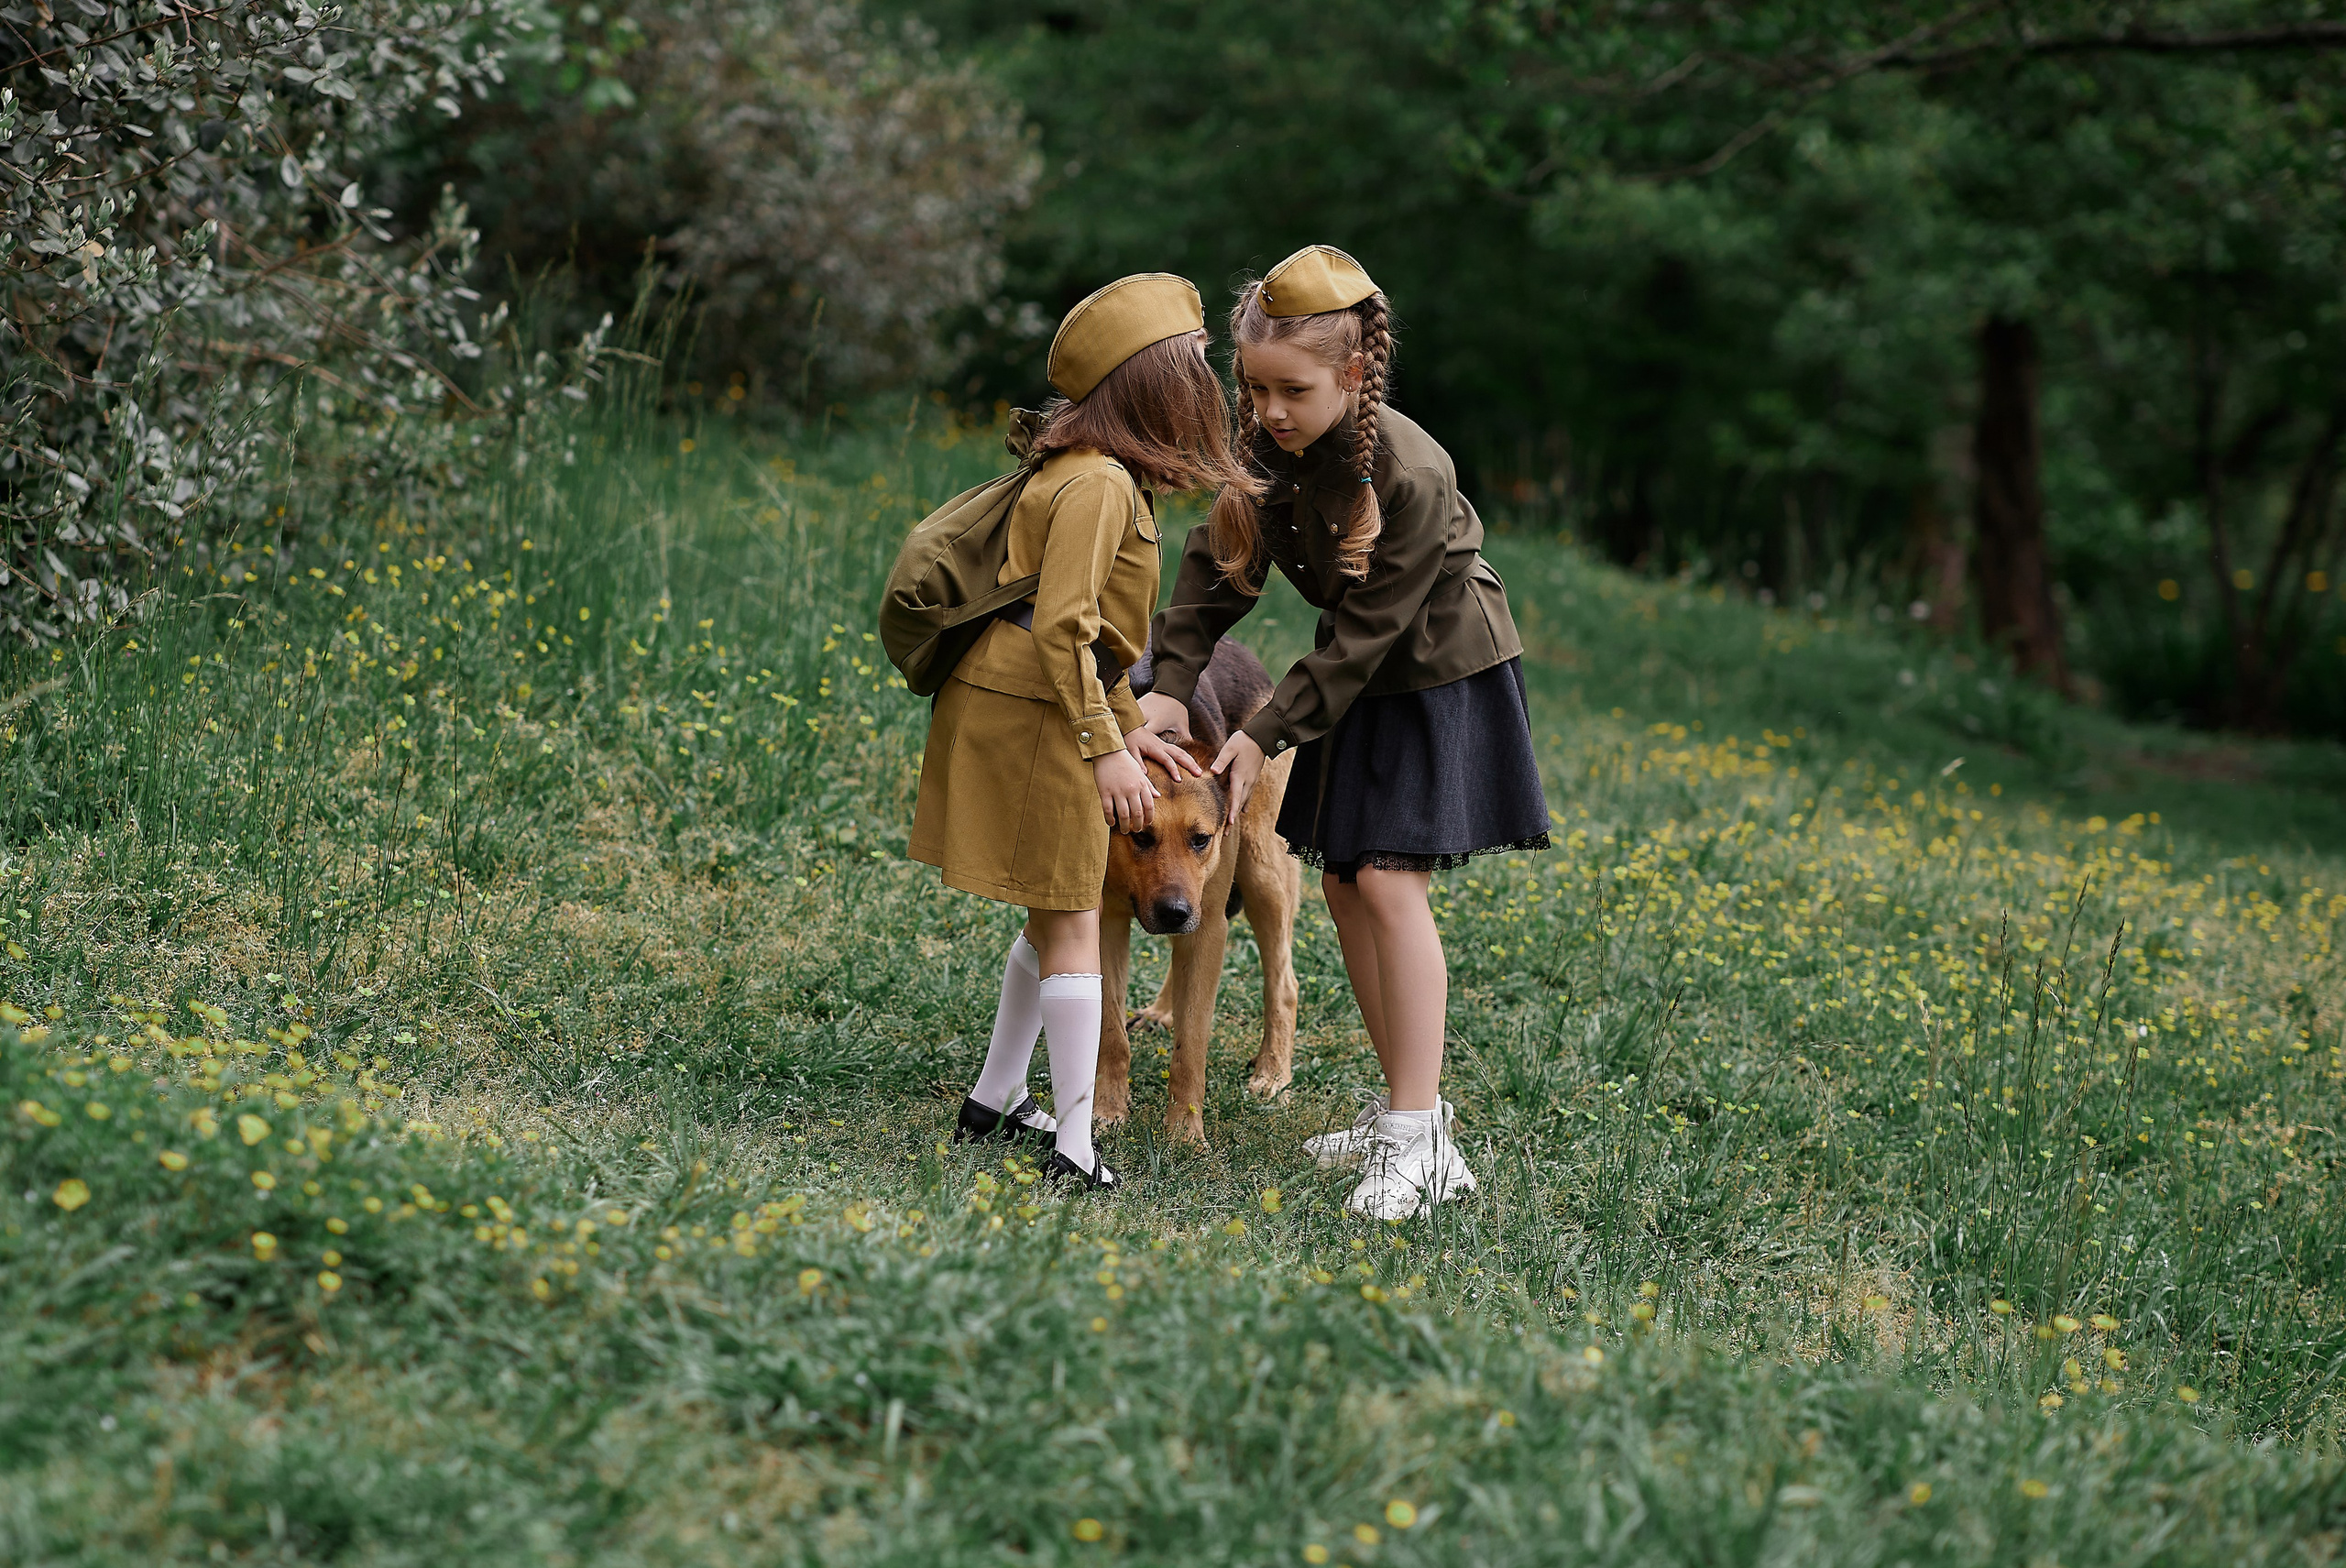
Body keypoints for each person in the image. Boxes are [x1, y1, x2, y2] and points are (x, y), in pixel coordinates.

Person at [1143, 246, 1550, 1220]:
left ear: (1353, 375)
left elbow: (1372, 635)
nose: (1269, 410)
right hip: (1354, 679)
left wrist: (1260, 734)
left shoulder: (1406, 471)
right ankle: (1407, 1110)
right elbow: (1214, 571)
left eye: (1292, 390)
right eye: (1253, 387)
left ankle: (1420, 1144)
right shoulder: (1268, 452)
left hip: (1438, 676)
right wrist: (1167, 685)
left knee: (1385, 880)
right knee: (1337, 878)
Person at [910, 274, 1244, 1190]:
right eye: (1188, 381)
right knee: (1070, 922)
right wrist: (1104, 745)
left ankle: (994, 1101)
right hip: (1036, 716)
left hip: (1034, 702)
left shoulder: (1082, 472)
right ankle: (1073, 1150)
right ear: (1151, 393)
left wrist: (1129, 726)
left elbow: (1090, 644)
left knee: (1045, 917)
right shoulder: (1098, 486)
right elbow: (1062, 628)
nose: (1201, 401)